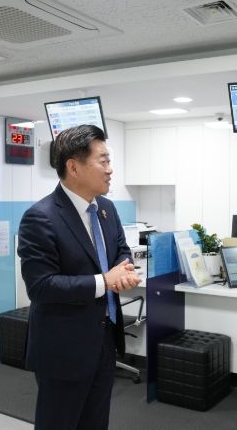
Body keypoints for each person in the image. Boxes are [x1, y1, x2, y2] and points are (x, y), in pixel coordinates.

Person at [18, 124, 141, 430]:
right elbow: (41, 286)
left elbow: (121, 250)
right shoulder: (41, 217)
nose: (110, 170)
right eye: (103, 161)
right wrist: (105, 281)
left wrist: (124, 268)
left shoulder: (106, 209)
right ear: (73, 167)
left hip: (105, 340)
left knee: (96, 423)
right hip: (64, 348)